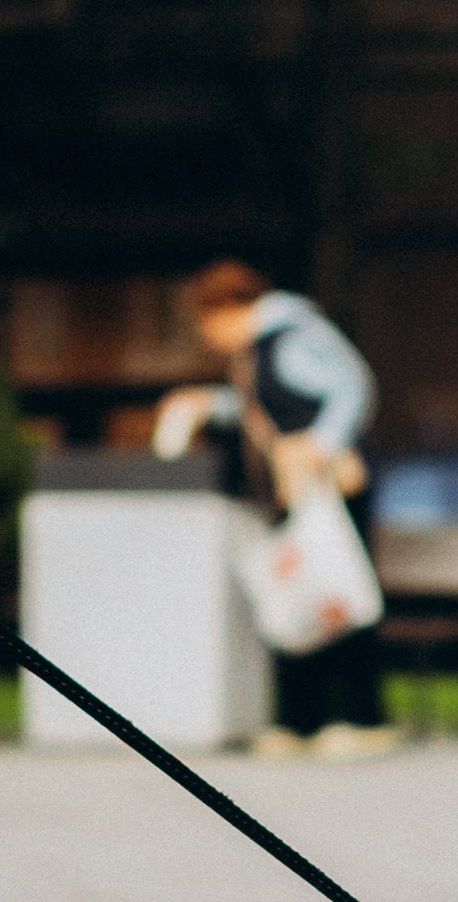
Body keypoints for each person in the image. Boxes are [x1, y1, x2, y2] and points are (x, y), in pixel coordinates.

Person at [155, 261, 393, 757]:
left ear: (224, 310)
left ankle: (360, 717)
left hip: (326, 485)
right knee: (298, 589)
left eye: (208, 325)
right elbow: (260, 409)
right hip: (294, 489)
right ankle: (300, 720)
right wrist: (210, 405)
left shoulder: (291, 334)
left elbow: (352, 384)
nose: (210, 338)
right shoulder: (255, 352)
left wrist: (321, 444)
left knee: (338, 590)